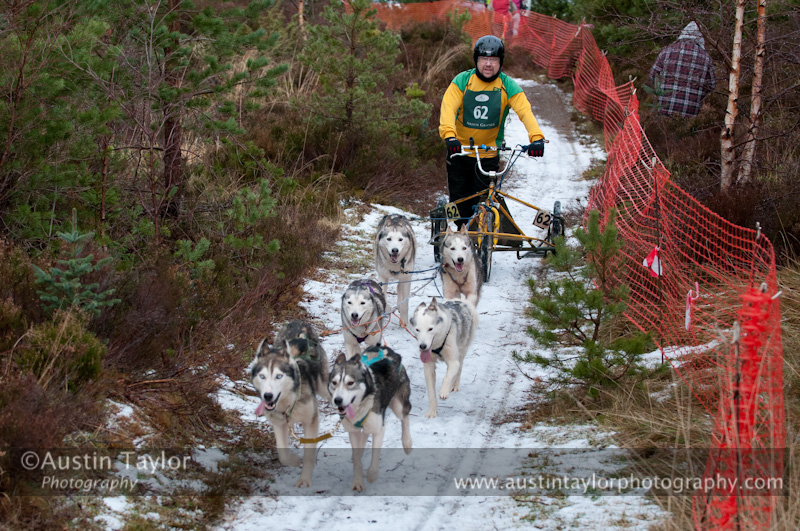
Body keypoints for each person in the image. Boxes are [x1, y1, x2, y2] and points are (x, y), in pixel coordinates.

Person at [439, 35, 545, 239]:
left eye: (494, 59)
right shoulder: (462, 81)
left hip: (489, 154)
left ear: (500, 62)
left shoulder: (508, 85)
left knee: (483, 203)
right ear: (476, 60)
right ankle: (461, 235)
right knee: (459, 202)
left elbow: (525, 112)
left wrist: (536, 138)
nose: (488, 64)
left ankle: (479, 241)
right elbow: (448, 109)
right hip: (459, 151)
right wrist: (449, 136)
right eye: (483, 59)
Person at [649, 22, 716, 117]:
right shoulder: (706, 58)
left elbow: (653, 76)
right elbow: (712, 85)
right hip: (691, 113)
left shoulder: (666, 52)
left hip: (663, 109)